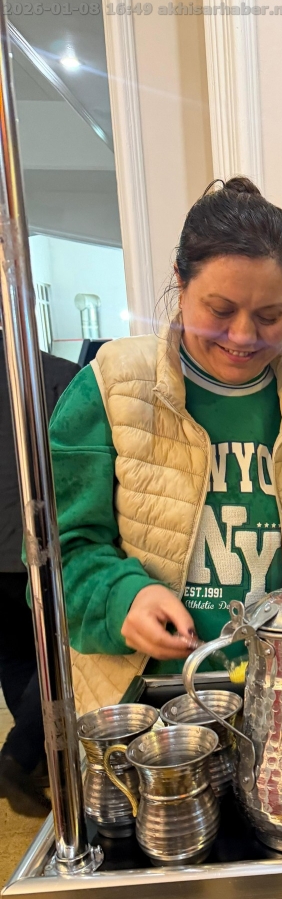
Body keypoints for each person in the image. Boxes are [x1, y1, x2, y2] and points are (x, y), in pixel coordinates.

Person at [50, 177, 282, 714]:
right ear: (180, 281)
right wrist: (120, 598)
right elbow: (58, 551)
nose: (242, 336)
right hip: (144, 700)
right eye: (219, 310)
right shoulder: (110, 388)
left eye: (270, 316)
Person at [0, 334, 78, 816]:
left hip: (13, 547)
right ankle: (22, 753)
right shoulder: (58, 376)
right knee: (57, 655)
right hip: (34, 545)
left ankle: (37, 756)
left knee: (13, 654)